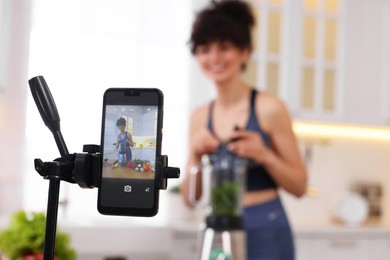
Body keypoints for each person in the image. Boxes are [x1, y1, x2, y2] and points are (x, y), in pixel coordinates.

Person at [180, 0, 307, 259]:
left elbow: (299, 186)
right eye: (204, 49)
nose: (214, 58)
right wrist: (195, 154)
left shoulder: (269, 108)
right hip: (217, 225)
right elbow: (190, 199)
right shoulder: (199, 116)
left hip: (267, 226)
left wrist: (264, 155)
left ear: (245, 52)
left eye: (224, 48)